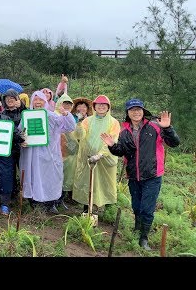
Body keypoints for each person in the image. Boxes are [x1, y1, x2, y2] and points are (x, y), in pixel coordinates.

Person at [101, 99, 180, 251]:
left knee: (147, 209)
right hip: (133, 176)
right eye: (132, 110)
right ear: (128, 113)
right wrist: (112, 146)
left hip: (152, 175)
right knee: (136, 206)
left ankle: (144, 237)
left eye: (138, 109)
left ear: (143, 111)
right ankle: (137, 229)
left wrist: (168, 128)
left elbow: (174, 143)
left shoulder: (155, 127)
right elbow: (123, 151)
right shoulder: (124, 131)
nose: (136, 112)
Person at [19, 90, 76, 214]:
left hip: (49, 153)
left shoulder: (51, 115)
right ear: (32, 101)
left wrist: (66, 115)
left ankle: (50, 203)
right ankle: (34, 203)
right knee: (33, 176)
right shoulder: (27, 116)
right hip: (31, 154)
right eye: (35, 99)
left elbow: (70, 127)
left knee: (49, 177)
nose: (38, 102)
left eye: (40, 100)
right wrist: (21, 140)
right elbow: (20, 133)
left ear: (45, 102)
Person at [72, 95, 120, 213]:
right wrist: (79, 123)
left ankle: (100, 208)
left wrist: (100, 154)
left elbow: (112, 140)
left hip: (104, 159)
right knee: (88, 182)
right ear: (94, 107)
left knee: (102, 183)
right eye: (98, 104)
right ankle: (86, 209)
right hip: (88, 158)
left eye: (104, 105)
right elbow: (80, 135)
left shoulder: (113, 122)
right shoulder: (88, 121)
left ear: (108, 107)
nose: (101, 107)